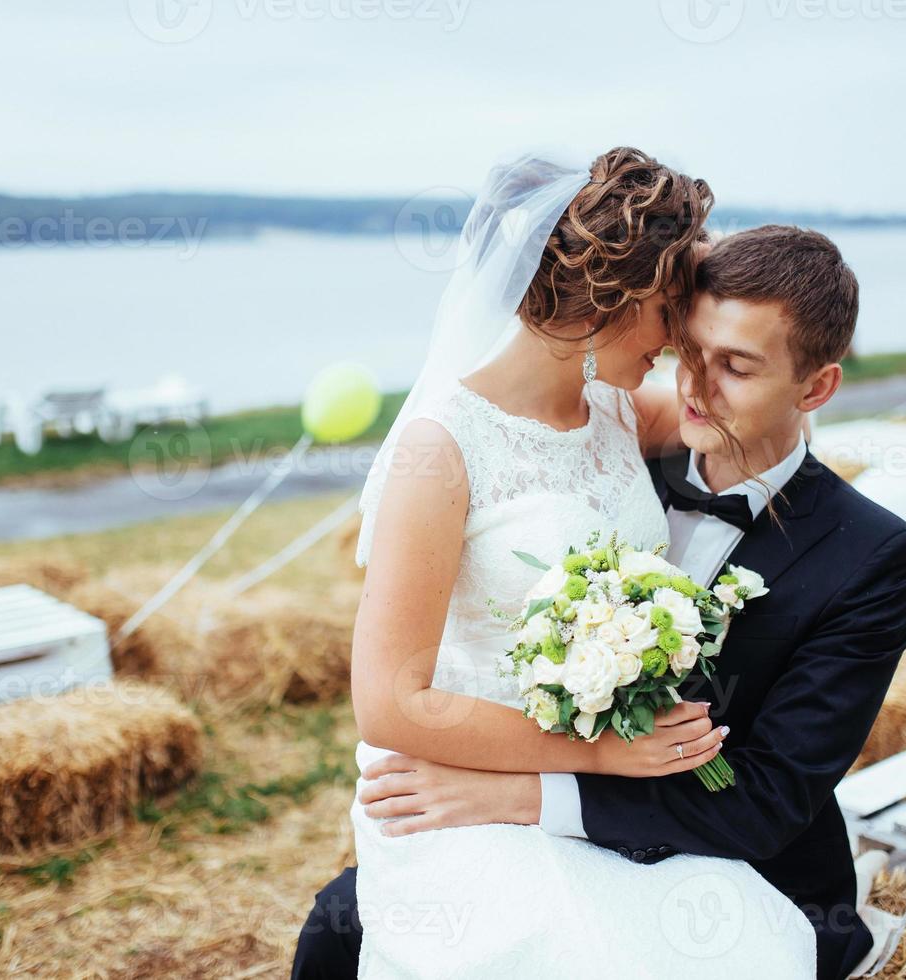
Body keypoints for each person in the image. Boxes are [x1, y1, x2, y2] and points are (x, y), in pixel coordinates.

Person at [296, 150, 822, 978]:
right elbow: (390, 705)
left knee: (760, 943)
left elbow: (738, 419)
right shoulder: (440, 450)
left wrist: (796, 372)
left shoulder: (617, 406)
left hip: (579, 792)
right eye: (671, 307)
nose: (679, 337)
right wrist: (605, 755)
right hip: (453, 787)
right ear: (613, 298)